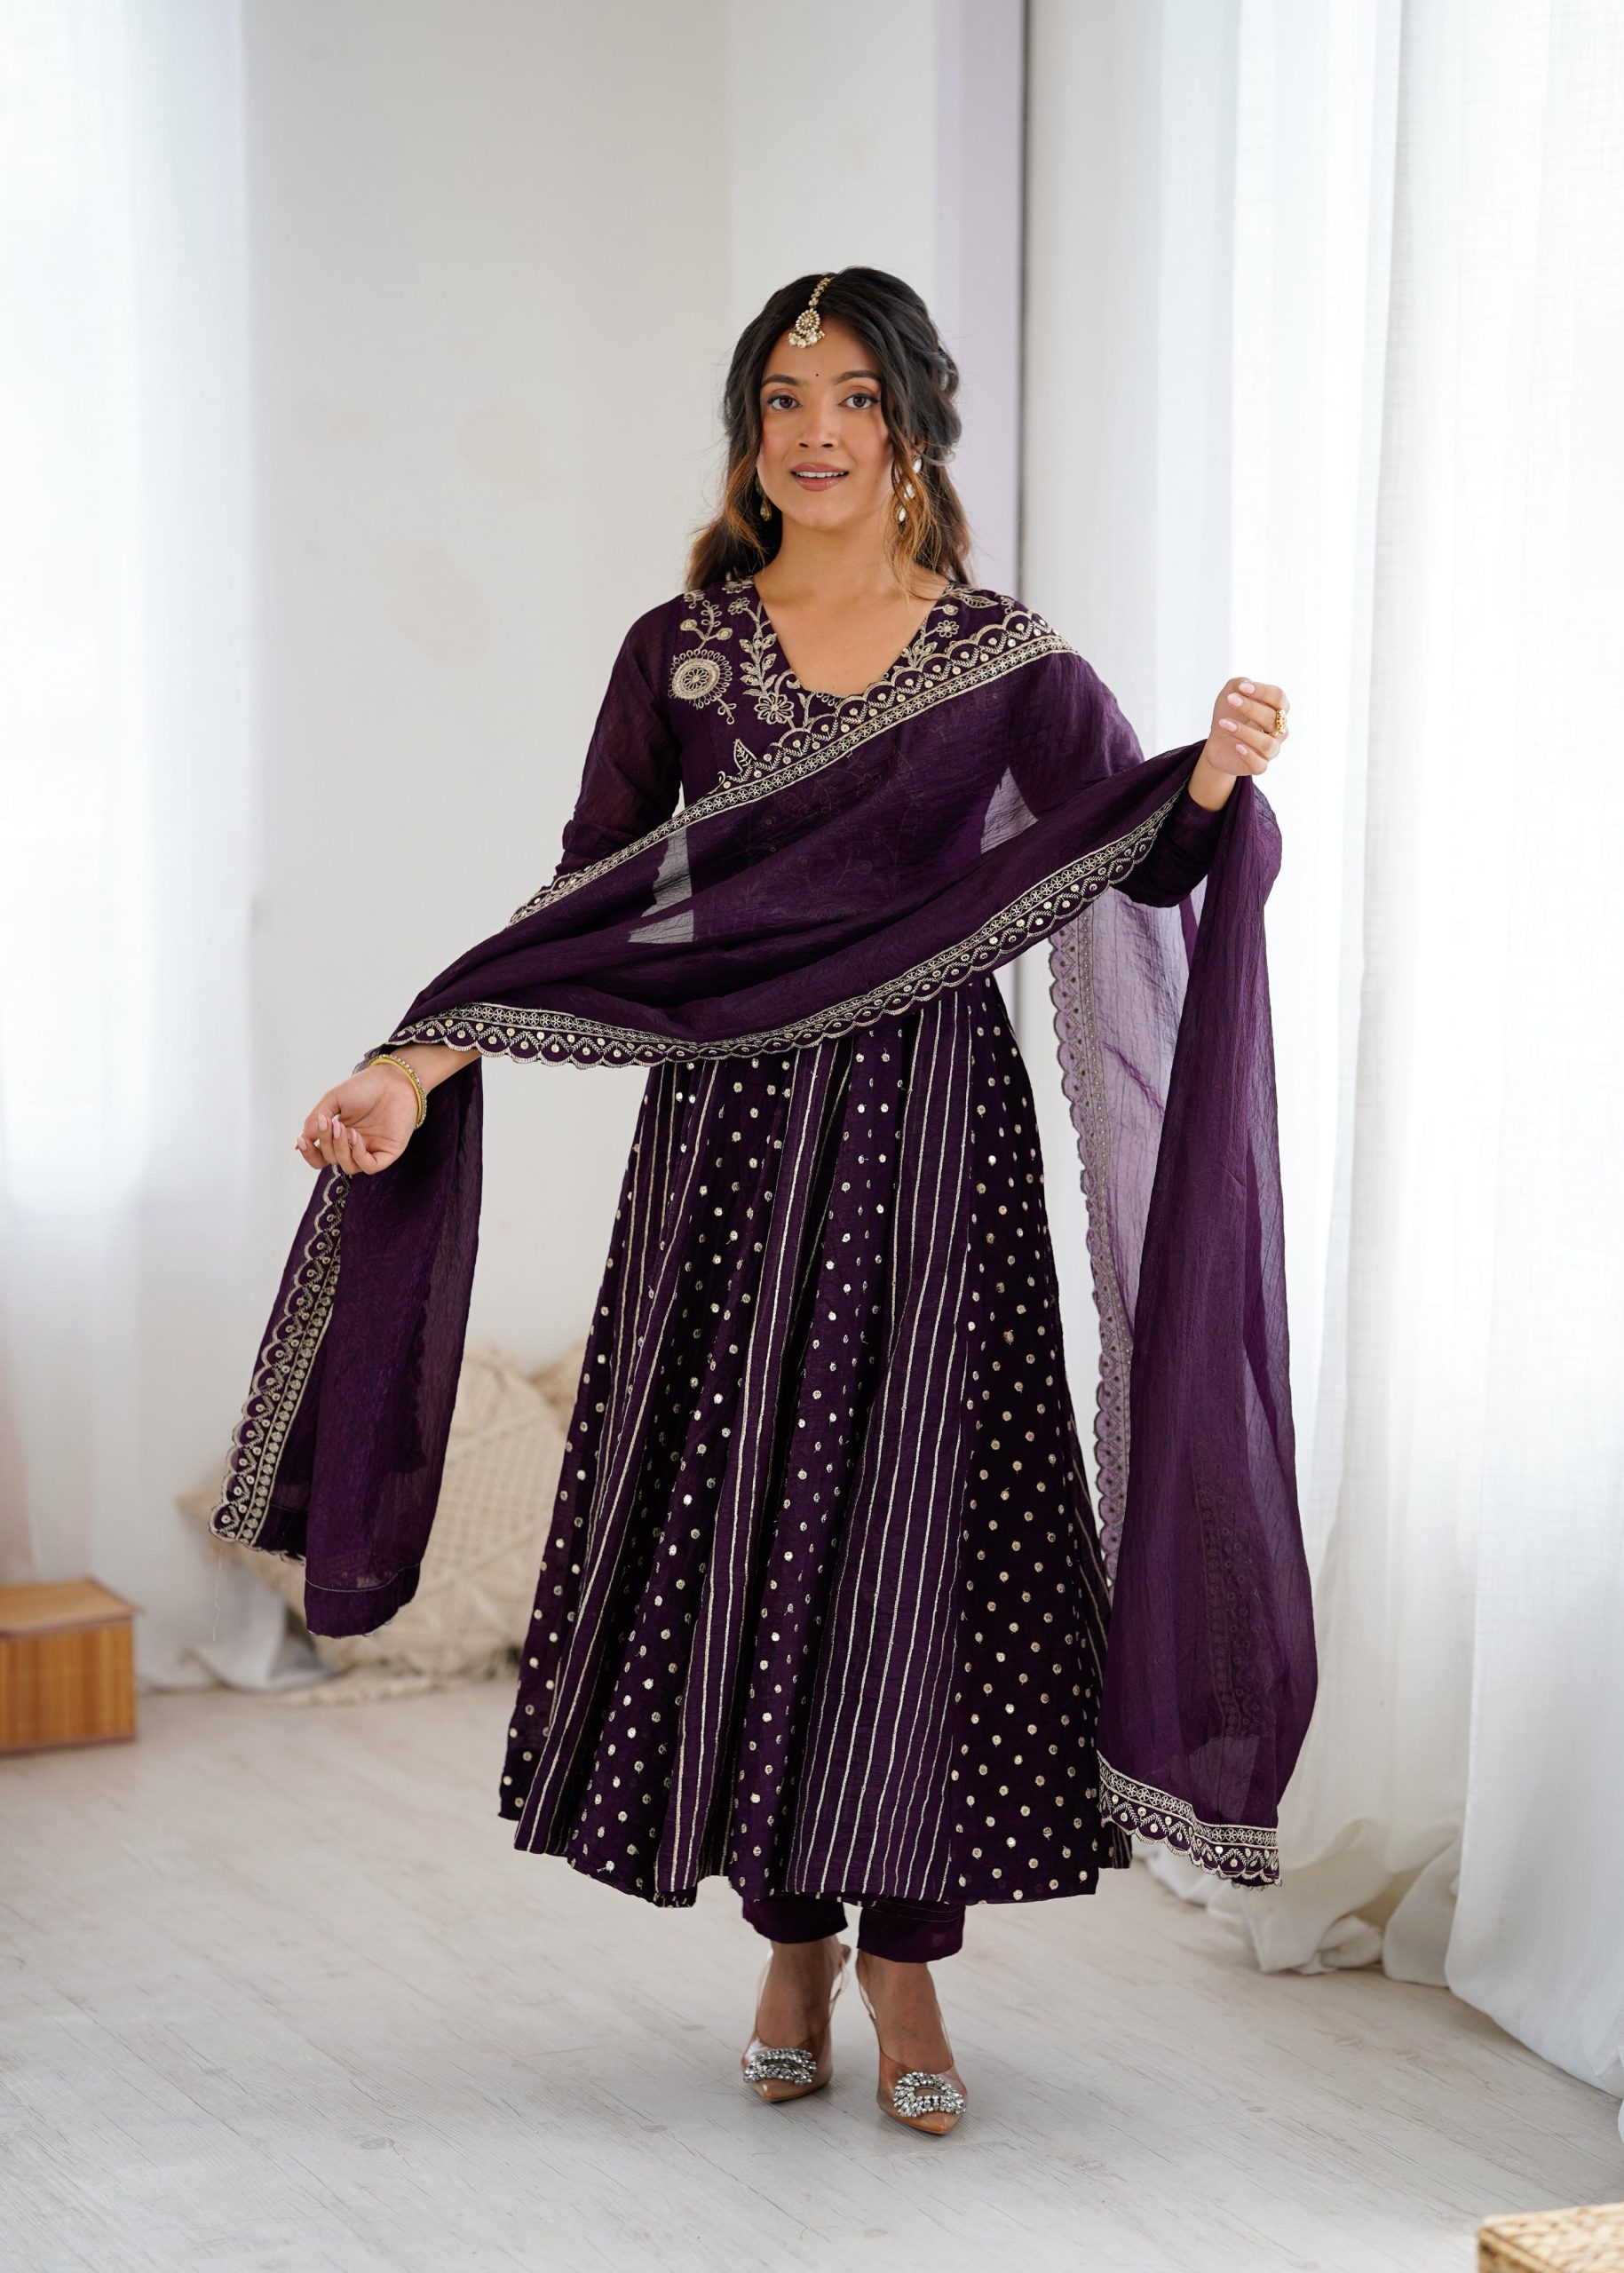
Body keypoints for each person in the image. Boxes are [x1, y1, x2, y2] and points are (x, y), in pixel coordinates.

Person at [220, 269, 1306, 2139]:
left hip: (937, 1155)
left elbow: (1137, 864)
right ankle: (791, 1942)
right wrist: (416, 1066)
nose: (815, 431)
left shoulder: (1009, 662)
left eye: (853, 397)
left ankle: (907, 1958)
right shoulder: (679, 653)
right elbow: (588, 906)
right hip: (728, 1162)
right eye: (784, 399)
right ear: (750, 435)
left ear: (912, 430)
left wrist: (1206, 782)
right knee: (753, 1529)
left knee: (925, 1543)